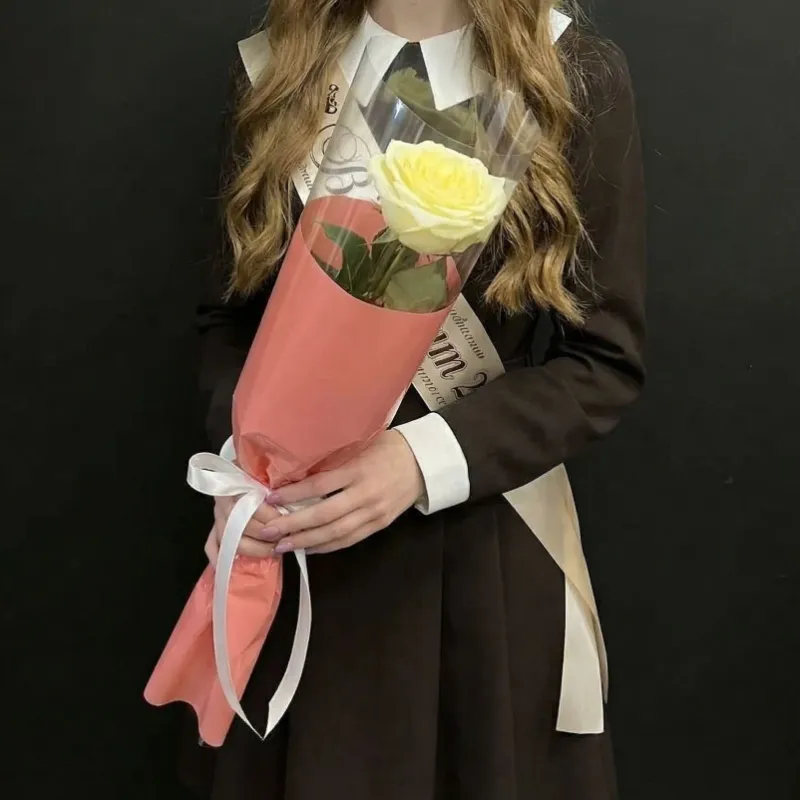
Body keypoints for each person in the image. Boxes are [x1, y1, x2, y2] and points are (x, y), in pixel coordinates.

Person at [182, 0, 645, 797]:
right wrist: (244, 467)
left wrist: (419, 460)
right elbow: (229, 322)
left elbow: (603, 361)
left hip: (479, 564)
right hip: (302, 551)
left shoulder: (571, 76)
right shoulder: (275, 71)